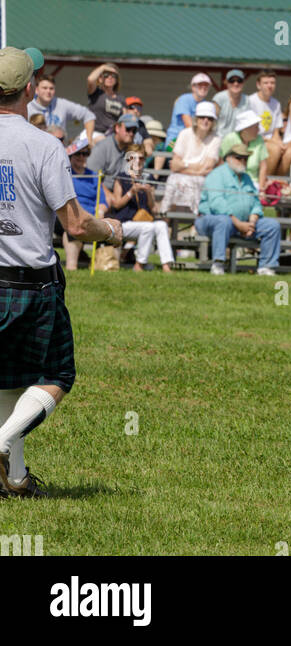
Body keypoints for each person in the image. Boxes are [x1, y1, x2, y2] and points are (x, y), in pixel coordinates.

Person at [0, 46, 123, 497]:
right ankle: (1, 444)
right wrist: (111, 230)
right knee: (57, 375)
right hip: (31, 283)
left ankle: (14, 479)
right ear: (30, 89)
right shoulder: (45, 145)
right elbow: (74, 224)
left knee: (6, 382)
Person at [195, 142, 281, 277]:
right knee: (223, 221)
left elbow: (256, 203)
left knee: (272, 225)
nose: (242, 161)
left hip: (243, 222)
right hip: (211, 220)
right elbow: (217, 204)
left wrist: (252, 222)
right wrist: (239, 224)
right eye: (238, 158)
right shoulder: (217, 175)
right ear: (228, 158)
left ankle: (266, 267)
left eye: (245, 158)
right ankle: (218, 264)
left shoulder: (246, 178)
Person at [103, 146, 174, 273]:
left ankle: (166, 265)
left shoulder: (149, 178)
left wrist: (149, 193)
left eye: (141, 158)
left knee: (162, 225)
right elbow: (117, 204)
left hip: (143, 220)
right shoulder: (122, 177)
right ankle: (139, 264)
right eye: (133, 158)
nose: (137, 161)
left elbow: (154, 210)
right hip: (124, 223)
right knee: (148, 227)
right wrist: (131, 192)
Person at [161, 101, 220, 214]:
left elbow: (207, 168)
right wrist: (195, 167)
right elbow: (174, 165)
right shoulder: (184, 133)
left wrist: (184, 166)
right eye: (202, 117)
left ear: (213, 122)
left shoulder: (216, 139)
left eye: (210, 118)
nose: (205, 120)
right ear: (196, 119)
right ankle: (167, 219)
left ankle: (196, 224)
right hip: (181, 177)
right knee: (174, 180)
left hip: (200, 179)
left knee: (199, 182)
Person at [61, 134, 99, 272]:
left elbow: (103, 200)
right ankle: (72, 267)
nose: (82, 157)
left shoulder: (94, 175)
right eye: (78, 153)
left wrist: (101, 208)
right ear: (71, 154)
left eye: (85, 153)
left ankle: (107, 264)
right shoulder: (65, 173)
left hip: (92, 216)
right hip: (71, 214)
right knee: (73, 227)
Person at [27, 76, 95, 145]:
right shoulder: (27, 107)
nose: (48, 91)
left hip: (60, 149)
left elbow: (89, 115)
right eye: (44, 88)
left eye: (51, 88)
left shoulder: (61, 104)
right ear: (36, 90)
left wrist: (89, 139)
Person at [88, 114, 144, 189]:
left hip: (122, 194)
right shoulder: (102, 148)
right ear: (117, 128)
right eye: (128, 129)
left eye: (134, 131)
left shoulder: (132, 150)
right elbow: (92, 178)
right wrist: (108, 195)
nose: (131, 133)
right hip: (99, 195)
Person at [166, 73, 214, 146]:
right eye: (200, 85)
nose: (203, 87)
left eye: (206, 85)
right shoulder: (184, 100)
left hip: (195, 140)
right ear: (193, 87)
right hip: (175, 139)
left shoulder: (205, 104)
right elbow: (189, 125)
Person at [85, 62, 125, 139]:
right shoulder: (96, 93)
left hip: (113, 135)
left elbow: (125, 118)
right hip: (94, 133)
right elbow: (90, 79)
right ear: (100, 79)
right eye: (106, 75)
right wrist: (103, 67)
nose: (110, 77)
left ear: (117, 80)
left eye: (113, 76)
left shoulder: (121, 99)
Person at [212, 69, 250, 139]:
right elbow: (212, 121)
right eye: (231, 81)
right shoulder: (219, 98)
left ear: (243, 83)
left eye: (239, 81)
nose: (236, 83)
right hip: (219, 139)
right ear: (226, 82)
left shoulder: (247, 100)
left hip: (238, 141)